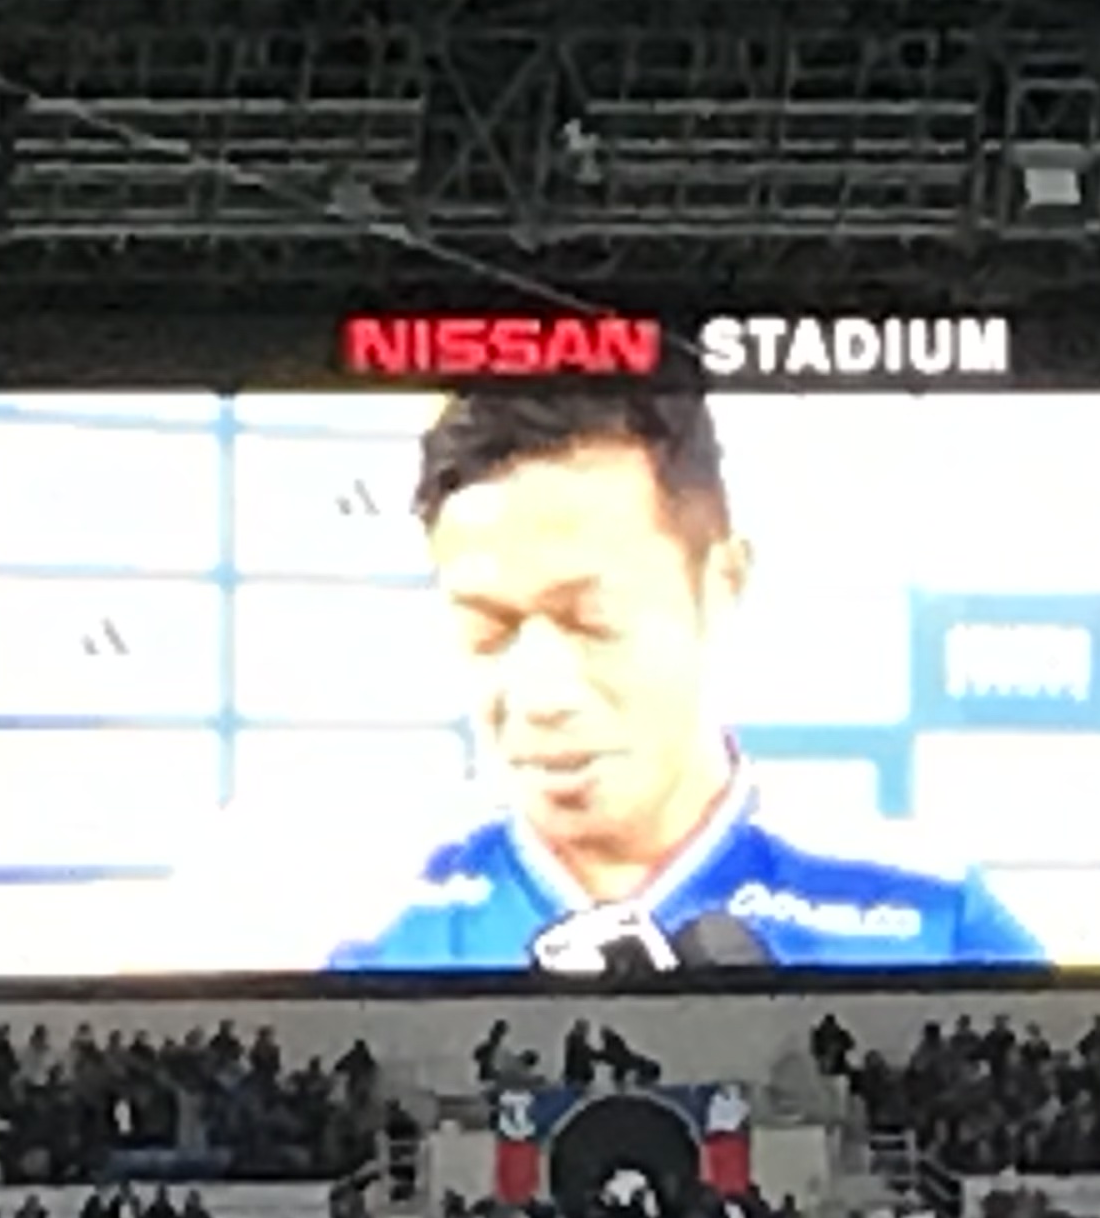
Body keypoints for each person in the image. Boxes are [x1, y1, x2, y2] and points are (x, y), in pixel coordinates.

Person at [330, 385, 1049, 974]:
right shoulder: (383, 940)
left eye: (593, 621)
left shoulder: (931, 916)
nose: (542, 694)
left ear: (721, 582)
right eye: (488, 628)